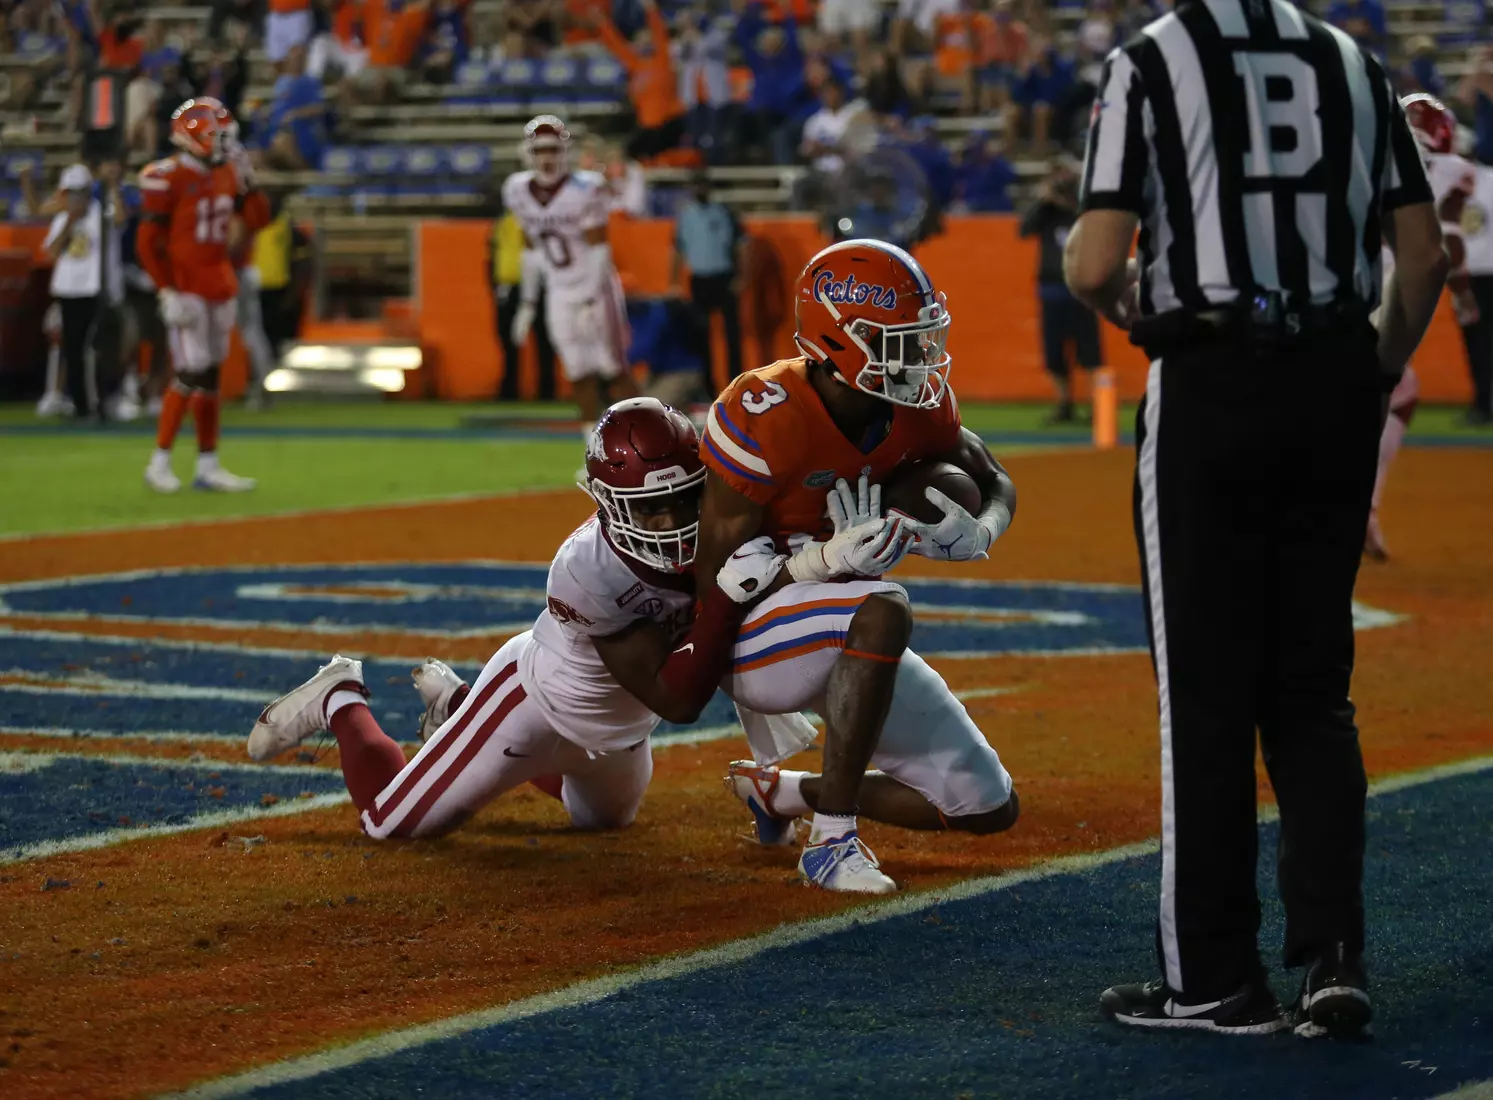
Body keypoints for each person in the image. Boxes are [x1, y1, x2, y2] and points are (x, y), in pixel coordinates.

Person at [1064, 0, 1447, 1038]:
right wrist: (1362, 373)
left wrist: (1142, 318)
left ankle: (1214, 980)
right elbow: (1421, 260)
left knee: (1205, 696)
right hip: (1331, 379)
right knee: (1312, 692)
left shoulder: (1151, 58)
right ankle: (1333, 955)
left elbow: (1093, 262)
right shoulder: (1353, 61)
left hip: (1211, 379)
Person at [246, 398, 787, 839]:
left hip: (618, 732)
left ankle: (455, 707)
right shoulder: (584, 571)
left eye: (683, 500)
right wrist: (724, 597)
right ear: (607, 502)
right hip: (532, 706)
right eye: (650, 508)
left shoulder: (720, 527)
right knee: (389, 825)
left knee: (603, 822)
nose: (670, 522)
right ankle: (340, 698)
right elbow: (676, 699)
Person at [693, 239, 1020, 894]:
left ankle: (784, 793)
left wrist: (979, 530)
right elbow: (710, 579)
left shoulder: (917, 406)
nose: (918, 357)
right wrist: (816, 561)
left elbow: (992, 480)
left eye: (920, 337)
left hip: (839, 622)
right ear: (837, 340)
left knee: (984, 805)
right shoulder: (765, 411)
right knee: (882, 607)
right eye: (896, 340)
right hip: (754, 630)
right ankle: (831, 842)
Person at [1365, 94, 1482, 559]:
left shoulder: (1372, 152)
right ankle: (1355, 508)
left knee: (1386, 390)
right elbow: (1448, 242)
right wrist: (1465, 296)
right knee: (1393, 391)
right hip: (1395, 290)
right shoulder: (1451, 169)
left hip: (1349, 281)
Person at [138, 97, 271, 494]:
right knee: (191, 369)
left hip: (218, 281)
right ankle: (159, 461)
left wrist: (251, 181)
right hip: (186, 285)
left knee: (209, 372)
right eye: (216, 136)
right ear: (192, 137)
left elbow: (258, 220)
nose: (223, 144)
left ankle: (208, 464)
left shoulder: (228, 172)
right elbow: (147, 243)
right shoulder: (167, 177)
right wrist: (165, 289)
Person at [502, 115, 637, 436]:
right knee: (576, 370)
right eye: (539, 150)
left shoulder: (584, 188)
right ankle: (594, 446)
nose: (546, 157)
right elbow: (532, 250)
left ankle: (654, 436)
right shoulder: (517, 189)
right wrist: (529, 303)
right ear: (528, 153)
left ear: (564, 151)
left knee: (611, 367)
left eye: (552, 149)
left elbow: (598, 250)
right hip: (558, 290)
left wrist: (591, 297)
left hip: (595, 286)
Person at [1019, 155, 1101, 424]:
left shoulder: (1085, 207)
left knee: (1089, 351)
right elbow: (1024, 229)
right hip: (1052, 290)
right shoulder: (1047, 213)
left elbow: (1094, 222)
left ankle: (1094, 406)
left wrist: (1068, 197)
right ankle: (1063, 404)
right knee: (1054, 352)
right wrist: (1045, 199)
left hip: (1081, 289)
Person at [42, 164, 108, 421]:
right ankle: (81, 405)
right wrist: (69, 221)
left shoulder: (99, 215)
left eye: (78, 193)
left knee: (91, 348)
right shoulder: (62, 218)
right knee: (72, 348)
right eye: (70, 193)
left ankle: (96, 403)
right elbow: (52, 251)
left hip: (92, 288)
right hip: (67, 289)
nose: (74, 198)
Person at [669, 169, 746, 386]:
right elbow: (677, 249)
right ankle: (707, 385)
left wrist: (741, 277)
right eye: (695, 186)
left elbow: (741, 246)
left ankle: (736, 382)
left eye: (702, 186)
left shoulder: (723, 212)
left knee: (732, 335)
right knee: (700, 336)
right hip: (700, 279)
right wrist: (674, 282)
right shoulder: (686, 216)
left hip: (724, 276)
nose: (699, 190)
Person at [590, 0, 686, 160]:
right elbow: (616, 45)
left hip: (666, 124)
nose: (644, 43)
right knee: (628, 154)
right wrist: (602, 22)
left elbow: (660, 33)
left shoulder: (662, 61)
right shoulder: (635, 64)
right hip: (646, 126)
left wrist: (651, 10)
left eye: (647, 39)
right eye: (640, 39)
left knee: (644, 154)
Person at [488, 200, 558, 402]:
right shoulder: (503, 222)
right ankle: (509, 389)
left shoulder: (540, 221)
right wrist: (496, 284)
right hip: (509, 286)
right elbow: (494, 254)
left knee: (543, 339)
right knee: (508, 340)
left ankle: (546, 390)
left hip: (537, 287)